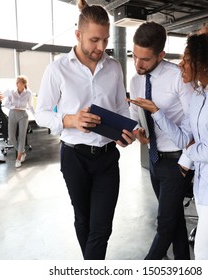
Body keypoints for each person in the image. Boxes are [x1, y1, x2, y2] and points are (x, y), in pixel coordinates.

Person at [128, 16, 208, 260]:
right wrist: (157, 113)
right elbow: (186, 136)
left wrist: (186, 158)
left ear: (203, 63)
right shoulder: (200, 94)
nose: (181, 64)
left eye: (186, 59)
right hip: (204, 186)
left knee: (205, 251)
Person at [35, 0, 135, 260]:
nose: (101, 48)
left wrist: (125, 132)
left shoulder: (113, 67)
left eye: (105, 40)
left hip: (107, 156)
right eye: (94, 40)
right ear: (78, 35)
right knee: (84, 220)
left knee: (102, 227)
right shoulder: (57, 69)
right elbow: (41, 113)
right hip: (74, 157)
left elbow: (121, 109)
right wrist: (70, 120)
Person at [128, 21, 194, 260]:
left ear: (161, 55)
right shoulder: (136, 79)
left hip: (177, 162)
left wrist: (185, 165)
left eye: (144, 59)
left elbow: (193, 128)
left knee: (164, 224)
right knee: (174, 220)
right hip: (154, 160)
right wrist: (137, 130)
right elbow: (135, 115)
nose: (138, 64)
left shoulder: (179, 77)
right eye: (134, 56)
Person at [3, 75, 35, 168]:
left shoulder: (28, 93)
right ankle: (23, 152)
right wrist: (14, 107)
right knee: (11, 137)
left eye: (18, 82)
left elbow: (31, 106)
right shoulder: (11, 92)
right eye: (16, 82)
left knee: (22, 137)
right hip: (12, 114)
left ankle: (18, 158)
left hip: (23, 115)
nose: (16, 84)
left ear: (24, 84)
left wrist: (36, 116)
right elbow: (6, 104)